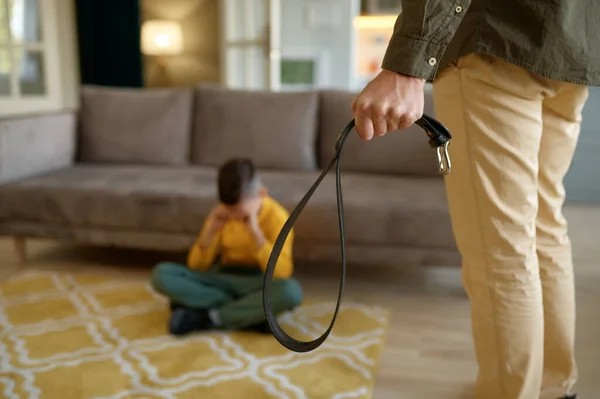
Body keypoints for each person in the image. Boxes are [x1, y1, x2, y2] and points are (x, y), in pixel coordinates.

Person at [352, 2, 599, 399]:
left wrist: (407, 62)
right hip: (570, 47)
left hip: (494, 38)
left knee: (500, 251)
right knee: (543, 228)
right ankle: (554, 388)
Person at [151, 158, 303, 336]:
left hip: (257, 282)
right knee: (161, 275)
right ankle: (250, 313)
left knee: (290, 292)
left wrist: (256, 235)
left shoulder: (278, 218)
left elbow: (282, 274)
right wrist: (210, 232)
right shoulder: (221, 213)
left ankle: (209, 316)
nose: (233, 216)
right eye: (229, 210)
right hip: (223, 277)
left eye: (239, 212)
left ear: (262, 194)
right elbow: (196, 267)